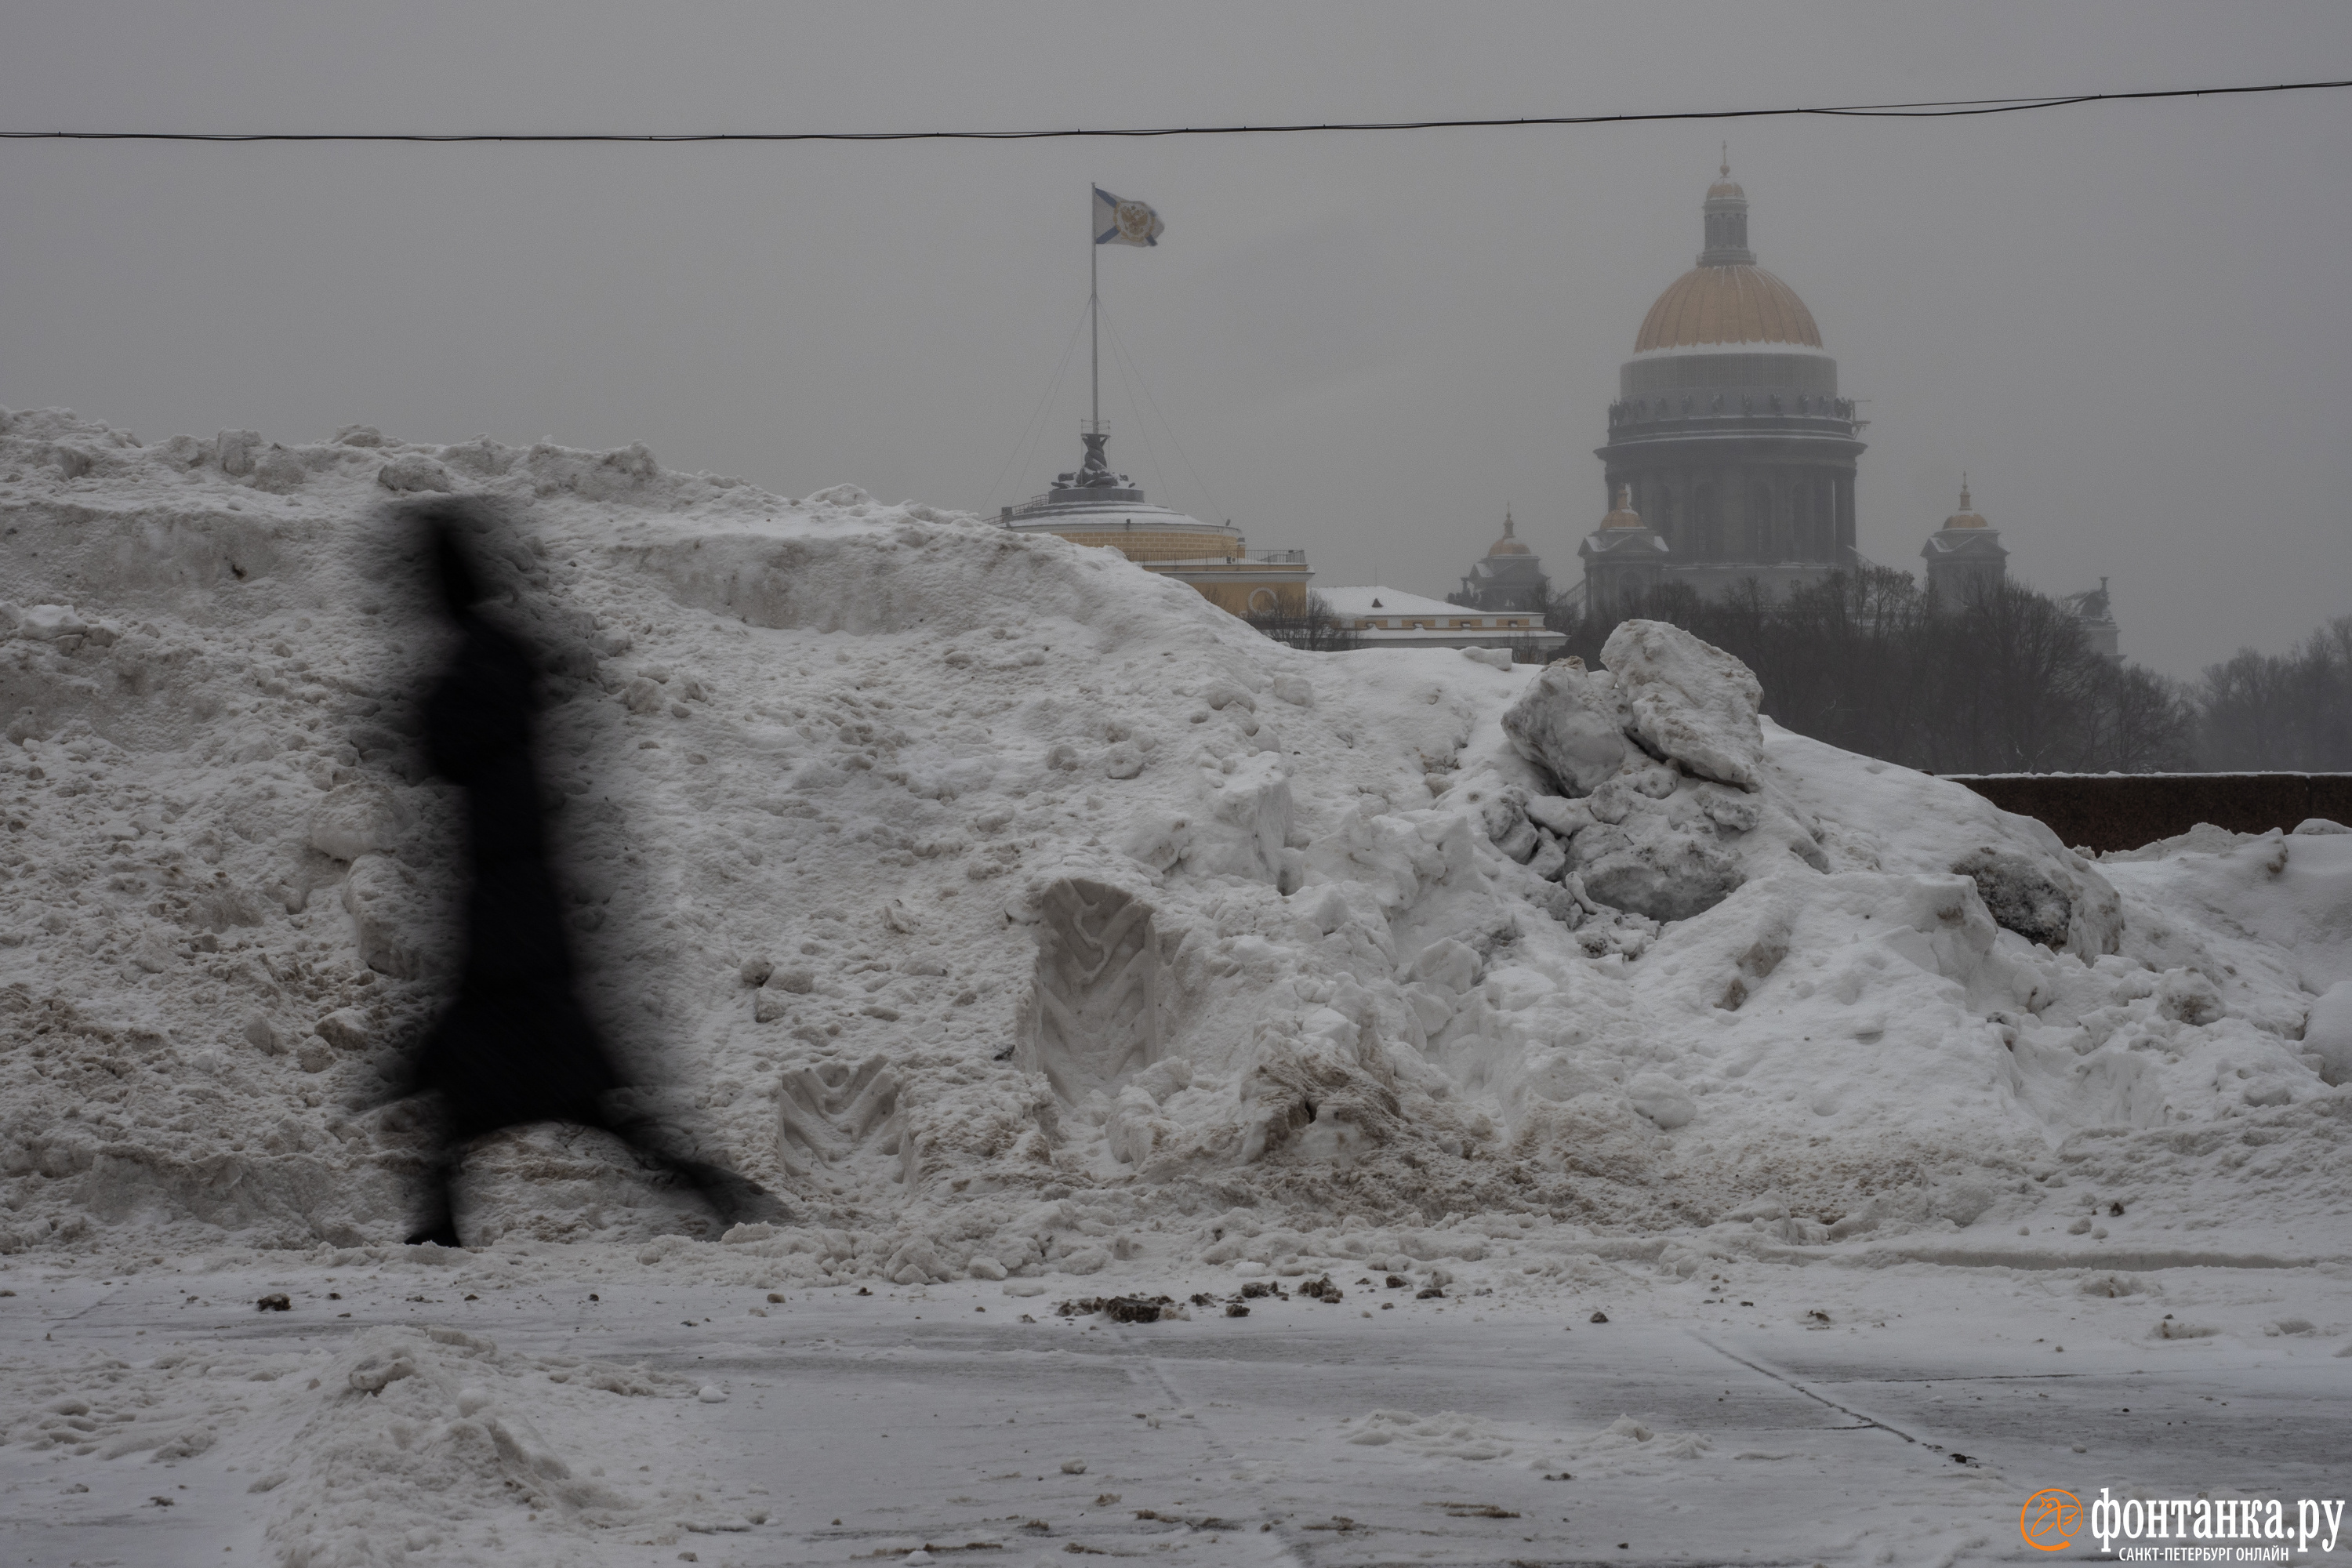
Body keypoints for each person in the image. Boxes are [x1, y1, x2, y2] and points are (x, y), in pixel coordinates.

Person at [394, 507, 771, 1246]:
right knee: (544, 1085)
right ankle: (712, 1191)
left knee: (530, 1079)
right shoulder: (499, 655)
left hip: (508, 913)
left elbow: (440, 747)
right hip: (518, 904)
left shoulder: (473, 665)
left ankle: (716, 1192)